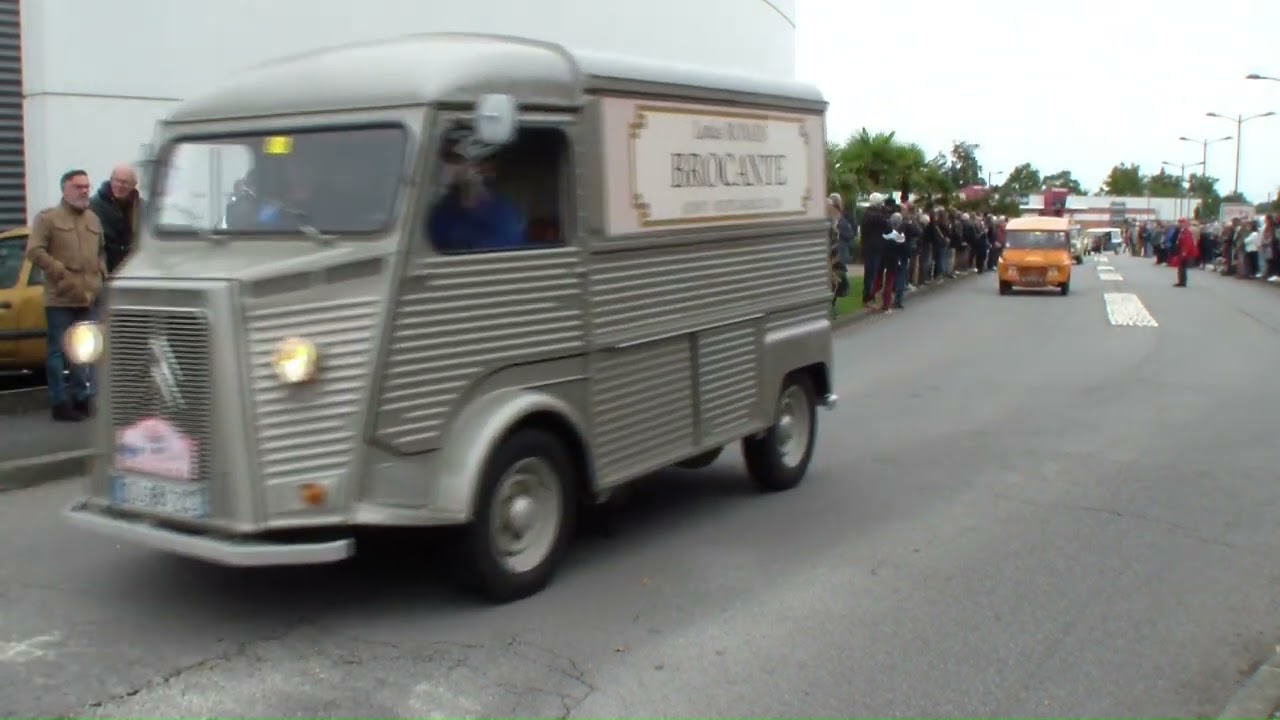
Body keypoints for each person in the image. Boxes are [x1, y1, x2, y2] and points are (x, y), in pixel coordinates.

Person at [25, 169, 105, 421]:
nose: (84, 191)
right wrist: (58, 271)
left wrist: (101, 275)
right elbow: (34, 251)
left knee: (84, 350)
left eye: (86, 186)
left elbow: (101, 251)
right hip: (60, 297)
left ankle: (81, 398)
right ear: (65, 189)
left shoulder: (93, 219)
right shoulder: (48, 218)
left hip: (87, 296)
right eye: (78, 187)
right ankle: (59, 402)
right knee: (58, 351)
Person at [426, 125, 525, 252]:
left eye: (454, 159)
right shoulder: (445, 206)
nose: (446, 166)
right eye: (446, 158)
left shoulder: (502, 213)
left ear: (479, 167)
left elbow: (497, 254)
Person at [88, 163, 142, 275]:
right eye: (117, 181)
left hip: (134, 269)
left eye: (125, 182)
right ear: (111, 180)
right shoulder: (93, 206)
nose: (120, 185)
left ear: (134, 185)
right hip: (104, 269)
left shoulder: (142, 207)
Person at [1172, 218, 1198, 288]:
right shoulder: (1182, 231)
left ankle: (1182, 281)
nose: (1180, 224)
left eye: (1181, 223)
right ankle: (1181, 281)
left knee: (1182, 267)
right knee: (1181, 267)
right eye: (1180, 223)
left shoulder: (1186, 232)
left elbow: (1187, 243)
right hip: (1181, 251)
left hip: (1185, 252)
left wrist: (1184, 252)